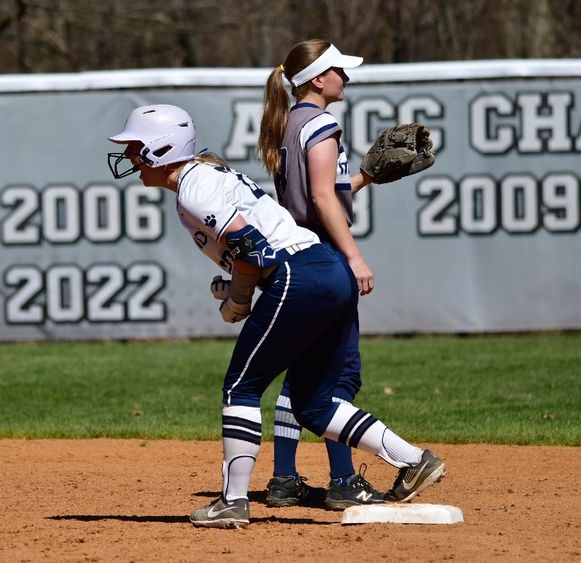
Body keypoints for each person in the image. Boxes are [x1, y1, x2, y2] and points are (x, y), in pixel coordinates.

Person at [107, 103, 445, 529]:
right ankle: (414, 460)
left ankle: (231, 501)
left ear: (160, 149)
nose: (129, 156)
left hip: (299, 275)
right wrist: (236, 288)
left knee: (241, 387)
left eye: (135, 147)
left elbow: (252, 248)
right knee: (314, 405)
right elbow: (253, 250)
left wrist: (237, 301)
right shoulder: (204, 179)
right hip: (326, 270)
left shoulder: (194, 186)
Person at [257, 39, 389, 511]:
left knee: (303, 374)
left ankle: (285, 479)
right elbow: (322, 199)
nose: (345, 78)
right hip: (324, 257)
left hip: (296, 258)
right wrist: (353, 256)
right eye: (338, 71)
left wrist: (367, 175)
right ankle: (343, 480)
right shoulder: (321, 122)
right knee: (337, 376)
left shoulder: (289, 123)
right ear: (317, 79)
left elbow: (322, 189)